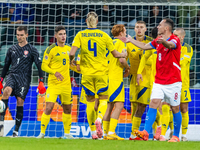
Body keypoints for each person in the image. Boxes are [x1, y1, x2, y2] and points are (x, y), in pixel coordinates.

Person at [121, 18, 182, 142]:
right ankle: (145, 133)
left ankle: (175, 136)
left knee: (175, 108)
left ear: (166, 28)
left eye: (160, 25)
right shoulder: (157, 41)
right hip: (159, 80)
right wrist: (131, 40)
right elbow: (144, 46)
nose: (157, 26)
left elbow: (170, 45)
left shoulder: (174, 39)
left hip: (173, 81)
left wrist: (164, 42)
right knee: (153, 104)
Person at [69, 11, 127, 139]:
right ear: (97, 21)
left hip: (87, 74)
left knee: (90, 102)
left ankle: (93, 132)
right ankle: (99, 119)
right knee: (104, 99)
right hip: (101, 73)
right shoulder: (104, 35)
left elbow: (71, 53)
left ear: (85, 21)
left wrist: (71, 59)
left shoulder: (80, 34)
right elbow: (116, 54)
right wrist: (123, 55)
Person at [0, 26, 46, 137]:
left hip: (24, 78)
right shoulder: (12, 49)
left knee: (20, 101)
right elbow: (6, 65)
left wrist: (41, 81)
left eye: (21, 35)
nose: (19, 37)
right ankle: (1, 125)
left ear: (26, 35)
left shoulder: (32, 49)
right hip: (13, 75)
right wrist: (1, 79)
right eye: (17, 35)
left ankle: (15, 131)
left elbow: (39, 66)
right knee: (6, 92)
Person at [37, 26, 79, 139]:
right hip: (54, 84)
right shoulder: (50, 49)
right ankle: (42, 133)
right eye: (60, 34)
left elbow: (71, 65)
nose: (63, 36)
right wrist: (54, 72)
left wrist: (79, 69)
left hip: (66, 85)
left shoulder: (69, 49)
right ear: (55, 36)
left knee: (67, 109)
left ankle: (67, 133)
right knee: (49, 107)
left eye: (64, 34)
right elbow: (43, 65)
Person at [126, 21, 153, 141]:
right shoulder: (129, 43)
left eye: (141, 27)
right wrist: (125, 68)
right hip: (133, 79)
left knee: (144, 106)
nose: (139, 29)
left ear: (146, 29)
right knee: (134, 106)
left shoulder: (150, 43)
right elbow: (124, 58)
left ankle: (157, 134)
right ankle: (134, 134)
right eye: (137, 27)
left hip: (146, 79)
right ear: (134, 29)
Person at [102, 24, 130, 140]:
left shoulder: (110, 43)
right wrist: (128, 68)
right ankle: (112, 132)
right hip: (116, 77)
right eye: (125, 30)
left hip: (106, 77)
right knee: (119, 105)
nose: (126, 32)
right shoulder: (120, 44)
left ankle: (105, 133)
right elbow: (122, 60)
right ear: (121, 33)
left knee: (109, 105)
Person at [136, 27, 162, 141]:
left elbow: (144, 58)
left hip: (162, 81)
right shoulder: (155, 45)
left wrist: (138, 72)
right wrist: (139, 72)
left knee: (164, 108)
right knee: (158, 107)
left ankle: (164, 133)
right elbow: (144, 58)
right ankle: (158, 133)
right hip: (156, 81)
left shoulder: (163, 45)